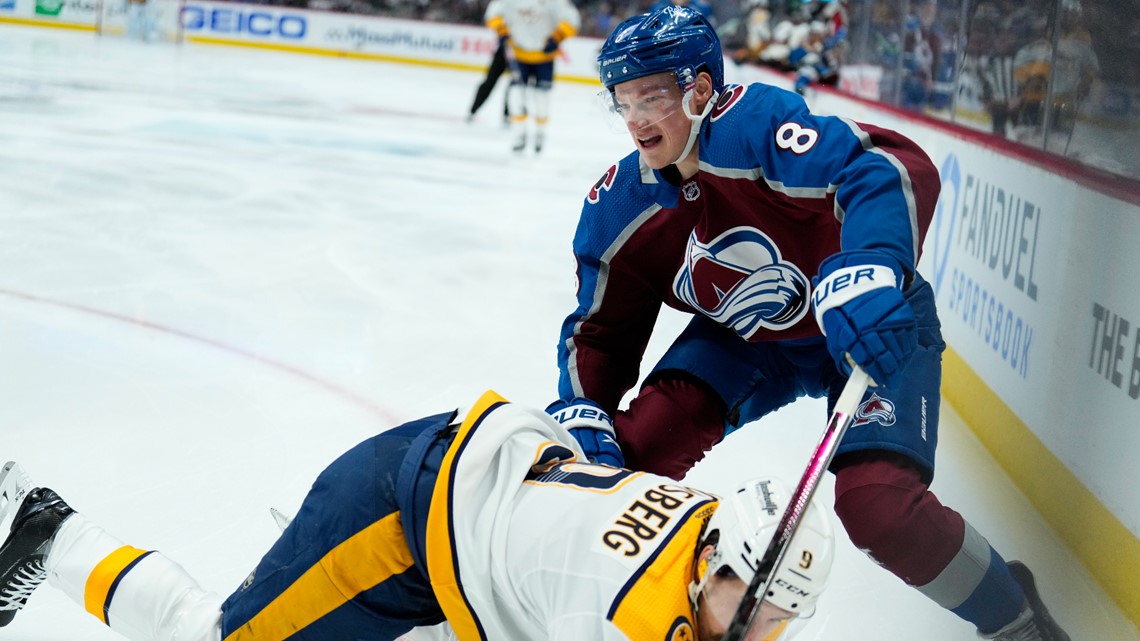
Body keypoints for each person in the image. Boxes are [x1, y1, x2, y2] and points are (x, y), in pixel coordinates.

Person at [551, 6, 1072, 641]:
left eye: (651, 96)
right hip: (747, 343)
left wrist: (871, 266)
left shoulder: (756, 127)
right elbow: (600, 330)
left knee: (878, 509)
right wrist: (584, 405)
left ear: (700, 91)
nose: (633, 119)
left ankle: (1016, 617)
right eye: (622, 100)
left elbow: (888, 166)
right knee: (622, 458)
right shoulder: (624, 206)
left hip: (866, 321)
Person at [0, 391, 835, 641]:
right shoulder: (627, 614)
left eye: (784, 620)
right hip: (400, 524)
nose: (767, 634)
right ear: (716, 565)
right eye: (760, 611)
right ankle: (50, 529)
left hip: (478, 545)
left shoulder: (710, 519)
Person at [484, 0, 581, 153]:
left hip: (544, 58)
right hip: (519, 54)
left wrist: (557, 37)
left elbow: (571, 19)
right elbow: (494, 12)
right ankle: (519, 133)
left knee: (542, 97)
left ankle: (540, 133)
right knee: (516, 95)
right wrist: (502, 31)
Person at [466, 36, 510, 126]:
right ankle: (473, 111)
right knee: (490, 81)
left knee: (515, 86)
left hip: (521, 54)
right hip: (504, 50)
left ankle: (508, 115)